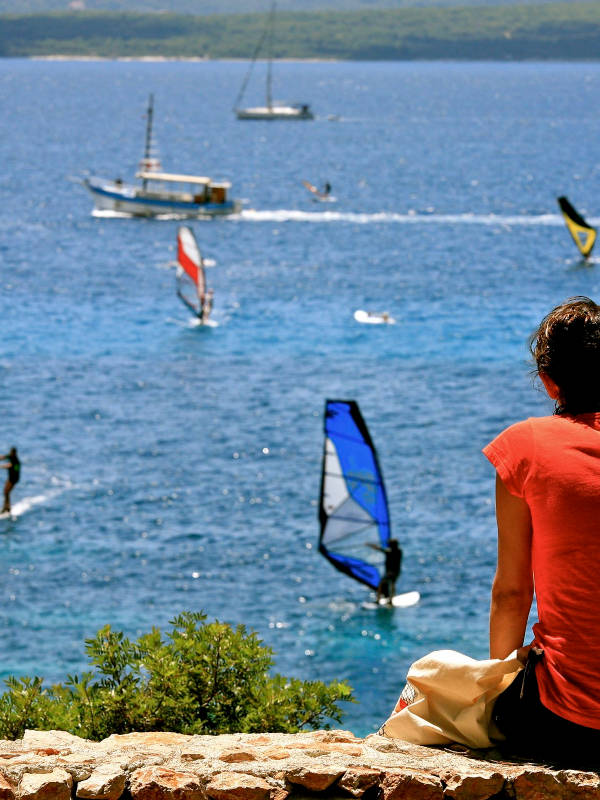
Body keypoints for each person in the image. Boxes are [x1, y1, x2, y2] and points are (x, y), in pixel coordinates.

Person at [483, 297, 600, 767]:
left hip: (568, 723)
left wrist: (494, 687)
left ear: (550, 382)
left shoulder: (526, 447)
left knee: (427, 684)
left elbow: (512, 594)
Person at [367, 538, 402, 603]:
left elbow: (379, 549)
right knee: (392, 585)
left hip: (390, 572)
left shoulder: (389, 552)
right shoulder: (399, 551)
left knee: (381, 584)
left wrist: (370, 545)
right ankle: (391, 600)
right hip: (397, 572)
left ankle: (378, 599)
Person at [1, 447, 20, 514]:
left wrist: (1, 466)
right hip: (10, 478)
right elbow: (2, 457)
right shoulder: (10, 456)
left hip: (14, 479)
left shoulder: (16, 462)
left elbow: (10, 466)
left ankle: (7, 507)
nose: (11, 453)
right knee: (5, 492)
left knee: (7, 492)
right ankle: (6, 507)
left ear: (14, 453)